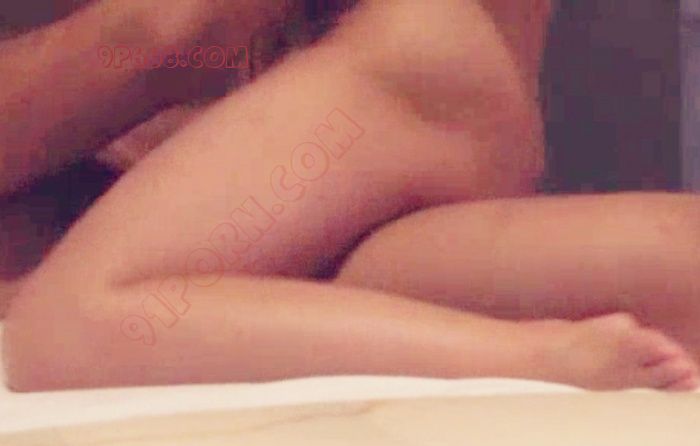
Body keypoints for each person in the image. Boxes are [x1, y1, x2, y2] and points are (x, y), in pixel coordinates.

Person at [2, 0, 698, 392]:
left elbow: (65, 334)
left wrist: (526, 358)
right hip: (463, 65)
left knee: (73, 323)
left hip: (402, 66)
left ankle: (533, 353)